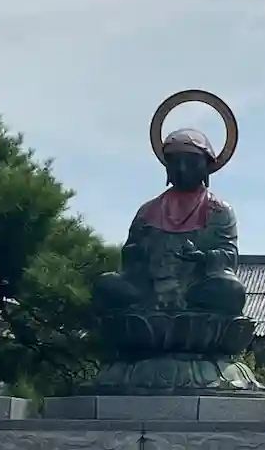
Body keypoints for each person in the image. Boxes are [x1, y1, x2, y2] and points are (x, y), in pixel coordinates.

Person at [92, 128, 247, 315]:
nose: (182, 169)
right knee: (106, 284)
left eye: (191, 162)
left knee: (231, 290)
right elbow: (129, 260)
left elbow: (229, 256)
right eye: (175, 162)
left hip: (196, 288)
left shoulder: (219, 211)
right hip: (149, 290)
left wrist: (202, 257)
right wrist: (143, 250)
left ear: (206, 166)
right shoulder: (147, 211)